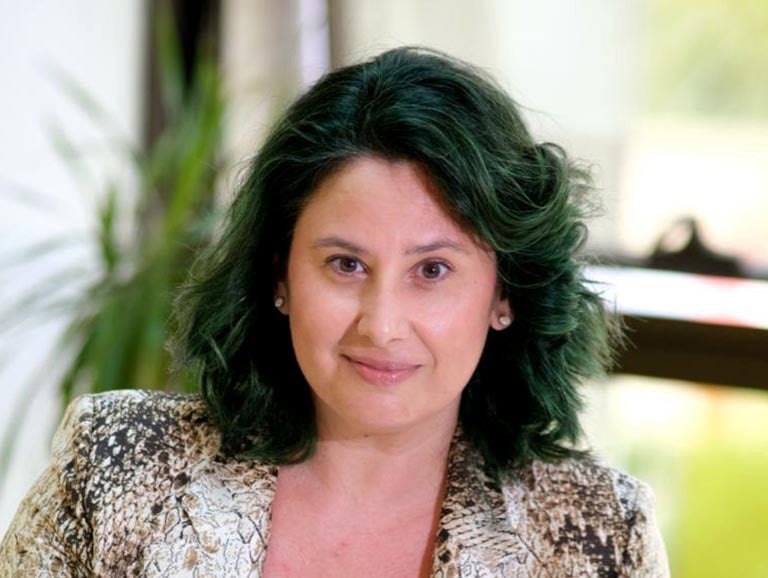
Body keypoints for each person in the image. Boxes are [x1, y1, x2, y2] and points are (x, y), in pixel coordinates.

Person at [0, 47, 669, 577]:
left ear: (504, 295)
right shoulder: (115, 467)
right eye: (346, 264)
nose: (381, 325)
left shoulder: (600, 537)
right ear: (280, 275)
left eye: (432, 270)